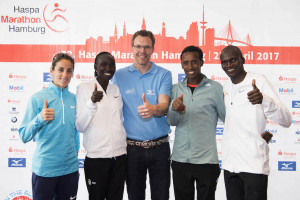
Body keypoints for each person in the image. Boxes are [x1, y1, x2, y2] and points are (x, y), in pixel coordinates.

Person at [220, 45, 292, 200]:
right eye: (224, 62)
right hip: (230, 165)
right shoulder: (225, 87)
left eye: (233, 60)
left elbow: (286, 120)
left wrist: (264, 100)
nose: (229, 65)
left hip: (253, 165)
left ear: (242, 60)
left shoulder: (258, 81)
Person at [113, 30, 172, 200]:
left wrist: (153, 110)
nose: (142, 51)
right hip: (132, 150)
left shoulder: (164, 74)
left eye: (147, 47)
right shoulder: (119, 76)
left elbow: (163, 105)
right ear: (132, 48)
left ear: (153, 49)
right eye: (138, 46)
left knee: (161, 196)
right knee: (134, 196)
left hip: (160, 148)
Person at [167, 45, 225, 200]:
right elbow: (171, 121)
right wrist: (174, 108)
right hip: (180, 159)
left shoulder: (215, 88)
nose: (190, 66)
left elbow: (227, 119)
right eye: (185, 63)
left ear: (202, 62)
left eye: (194, 62)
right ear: (181, 65)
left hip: (206, 161)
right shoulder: (175, 89)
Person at [19, 52, 80, 200]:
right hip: (45, 171)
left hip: (70, 171)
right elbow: (23, 136)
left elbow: (76, 135)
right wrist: (39, 118)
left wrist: (73, 160)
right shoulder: (37, 99)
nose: (65, 74)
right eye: (60, 69)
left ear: (72, 74)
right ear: (51, 71)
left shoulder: (75, 99)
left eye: (69, 70)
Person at [76, 52, 127, 200]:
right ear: (95, 67)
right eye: (103, 64)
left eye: (112, 65)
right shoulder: (84, 88)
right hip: (97, 158)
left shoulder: (115, 89)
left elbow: (119, 120)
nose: (108, 68)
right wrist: (91, 103)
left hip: (119, 157)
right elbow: (80, 126)